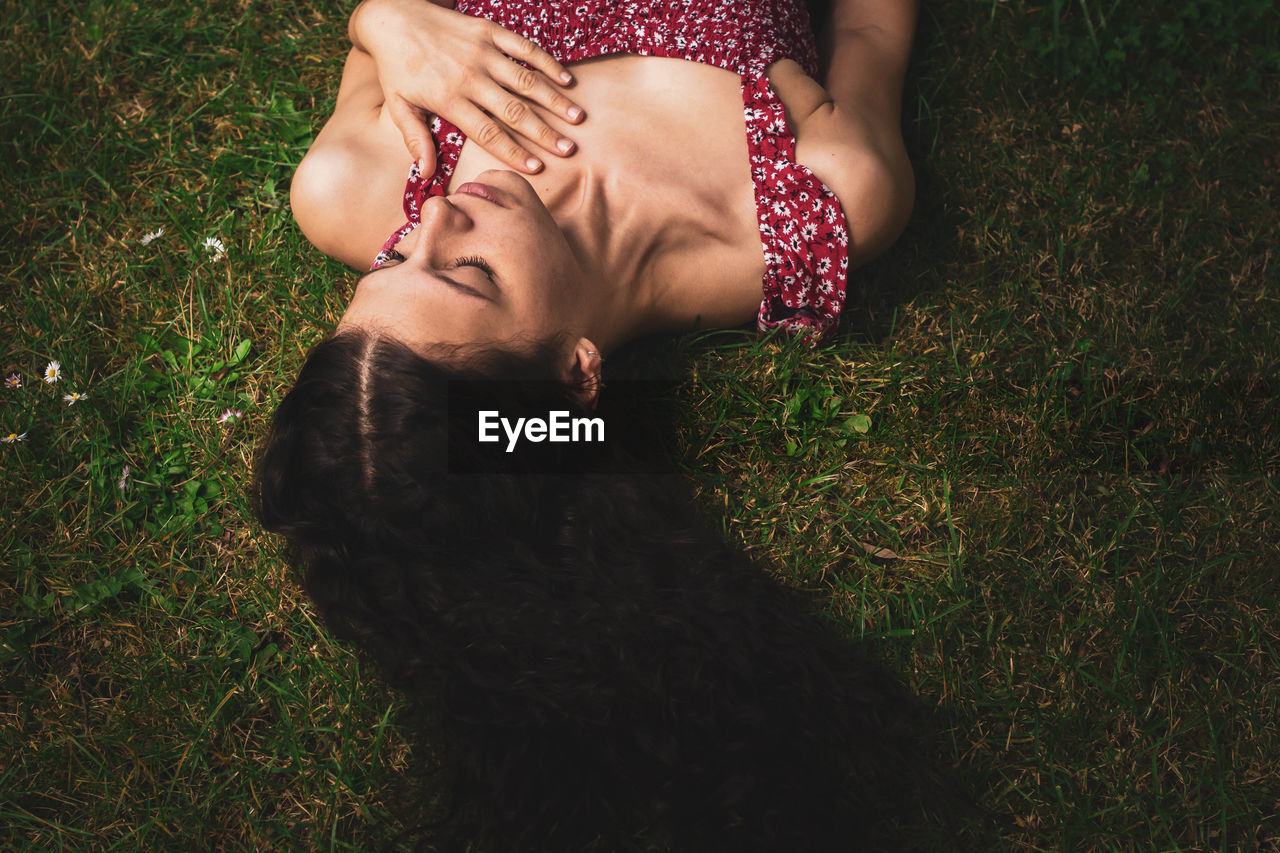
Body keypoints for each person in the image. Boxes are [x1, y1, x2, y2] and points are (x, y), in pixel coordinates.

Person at [255, 0, 944, 849]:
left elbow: (392, 20)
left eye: (395, 259)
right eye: (469, 274)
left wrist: (383, 25)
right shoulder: (814, 203)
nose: (433, 217)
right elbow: (874, 27)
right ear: (577, 374)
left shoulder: (354, 185)